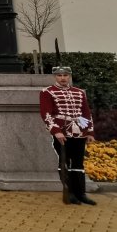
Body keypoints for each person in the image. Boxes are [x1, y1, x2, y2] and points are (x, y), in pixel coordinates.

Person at [40, 66, 97, 205]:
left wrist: (89, 132)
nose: (63, 78)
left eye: (65, 75)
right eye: (59, 76)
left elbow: (86, 113)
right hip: (62, 132)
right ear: (55, 77)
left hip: (79, 131)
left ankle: (81, 193)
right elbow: (46, 114)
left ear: (69, 76)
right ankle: (69, 192)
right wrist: (56, 130)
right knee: (65, 161)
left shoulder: (79, 92)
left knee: (78, 163)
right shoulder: (47, 92)